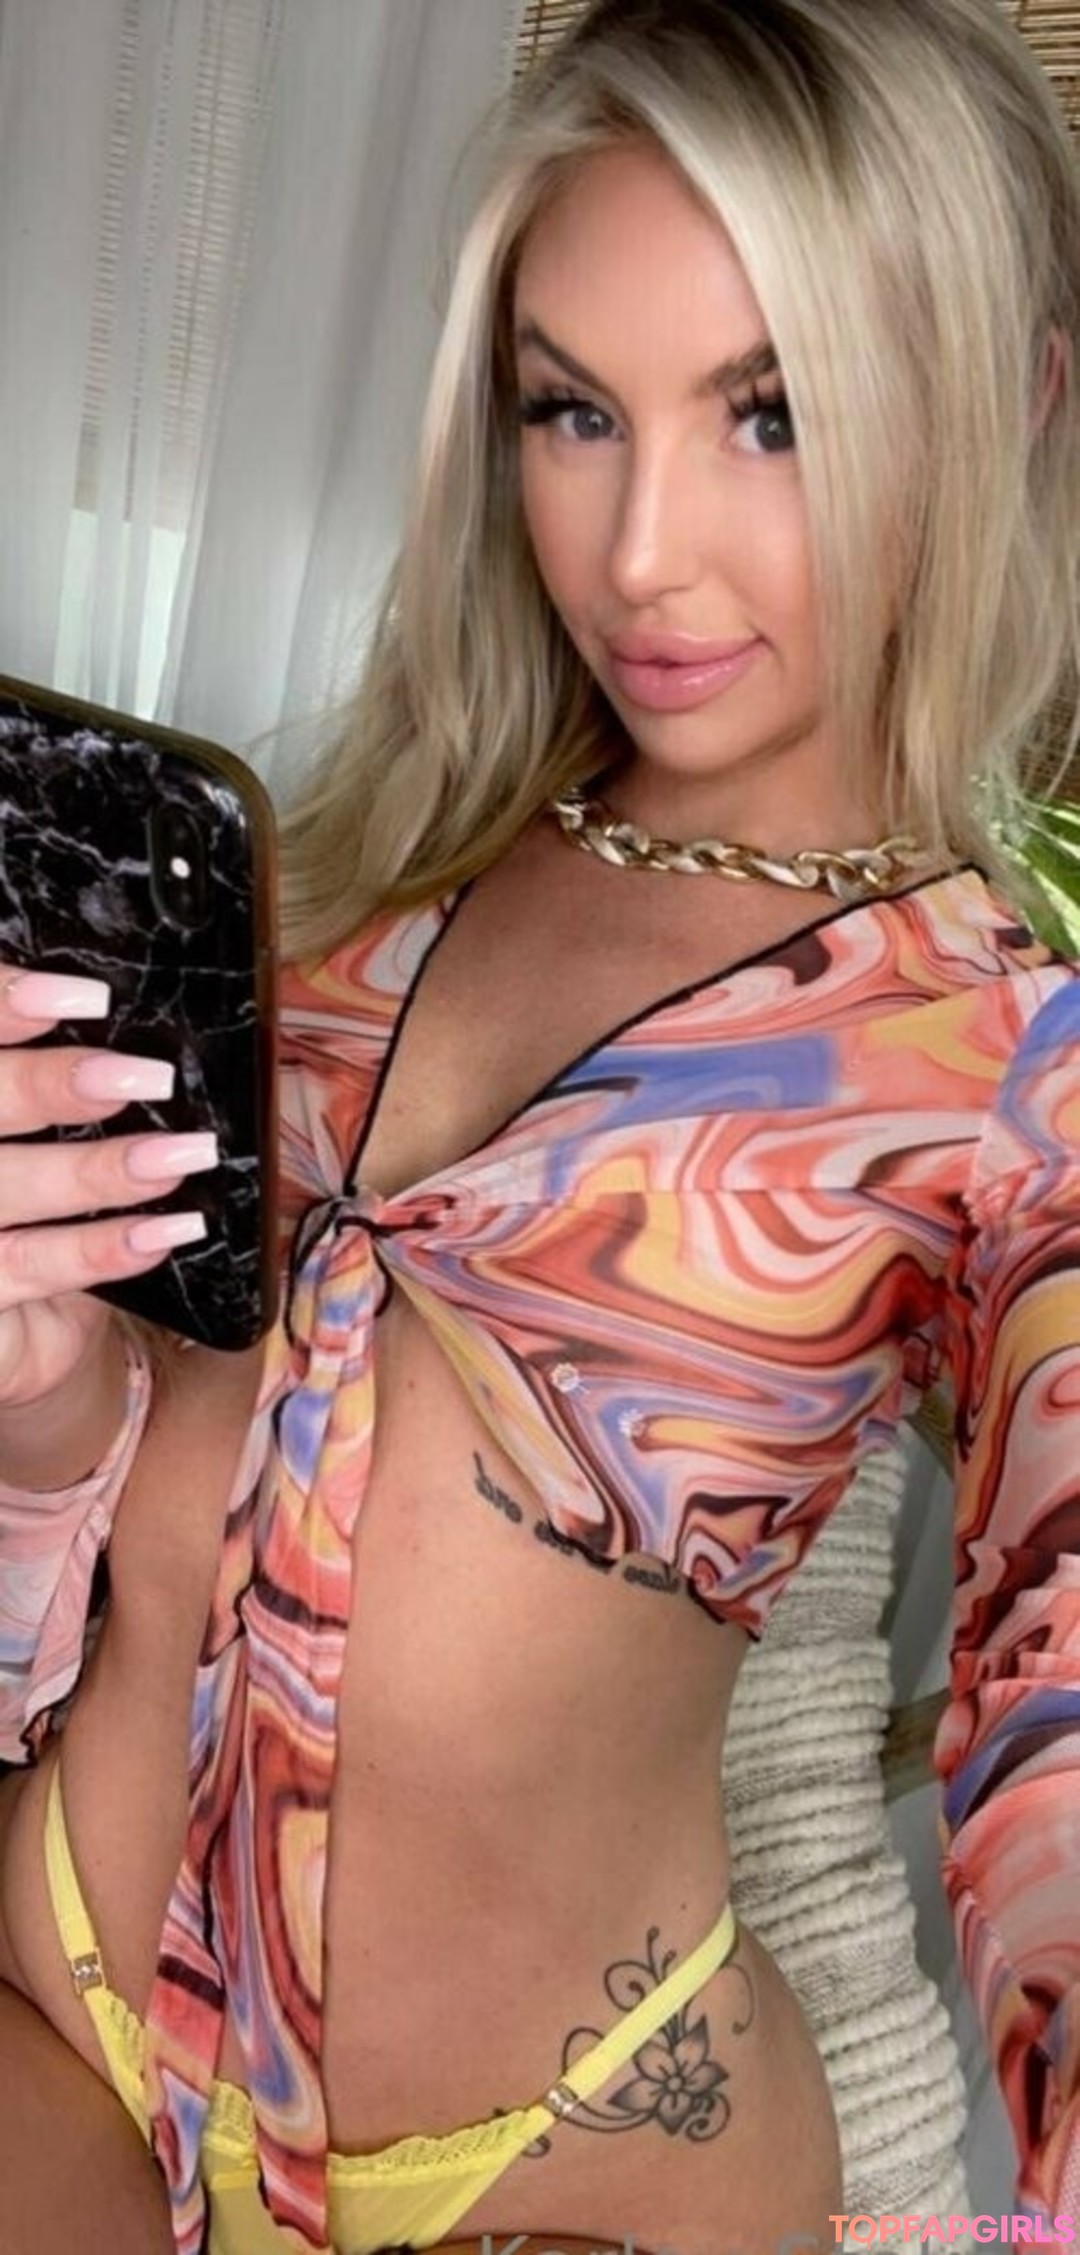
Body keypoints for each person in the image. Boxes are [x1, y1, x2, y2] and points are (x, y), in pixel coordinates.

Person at [0, 1, 1078, 2250]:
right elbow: (135, 1471)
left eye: (775, 412)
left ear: (1015, 404)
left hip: (558, 2170)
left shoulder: (1003, 1053)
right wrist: (50, 1392)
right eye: (572, 409)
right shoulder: (356, 856)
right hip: (60, 1991)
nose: (642, 554)